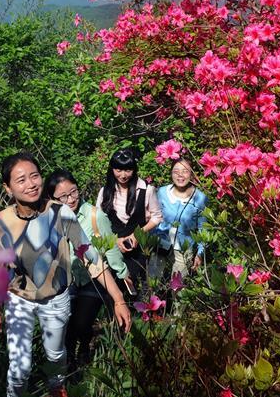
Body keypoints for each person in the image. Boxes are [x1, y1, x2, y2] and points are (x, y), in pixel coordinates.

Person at [0, 152, 131, 397]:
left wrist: (118, 299)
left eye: (34, 176)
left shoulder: (60, 213)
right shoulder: (0, 222)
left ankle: (57, 389)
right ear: (7, 188)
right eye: (21, 180)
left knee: (55, 356)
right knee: (19, 368)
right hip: (18, 299)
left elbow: (90, 257)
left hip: (55, 298)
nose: (31, 184)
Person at [45, 169, 131, 371]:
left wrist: (123, 273)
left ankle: (84, 348)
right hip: (67, 279)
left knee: (82, 322)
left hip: (94, 279)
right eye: (63, 196)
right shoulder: (49, 219)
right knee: (67, 326)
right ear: (52, 198)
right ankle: (70, 365)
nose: (71, 199)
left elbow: (110, 248)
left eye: (73, 192)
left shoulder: (95, 215)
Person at [95, 148, 163, 291]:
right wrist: (115, 241)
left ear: (134, 169)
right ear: (112, 169)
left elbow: (157, 217)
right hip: (112, 250)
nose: (123, 175)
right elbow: (97, 220)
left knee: (136, 287)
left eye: (128, 170)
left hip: (138, 251)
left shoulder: (147, 190)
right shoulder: (105, 191)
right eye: (118, 170)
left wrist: (138, 234)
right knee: (113, 289)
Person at [154, 157, 208, 278]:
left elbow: (203, 228)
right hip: (161, 243)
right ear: (171, 173)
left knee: (177, 284)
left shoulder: (200, 198)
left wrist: (200, 253)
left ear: (192, 174)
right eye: (176, 171)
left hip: (184, 248)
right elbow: (154, 217)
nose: (180, 175)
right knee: (153, 279)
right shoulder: (162, 192)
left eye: (185, 171)